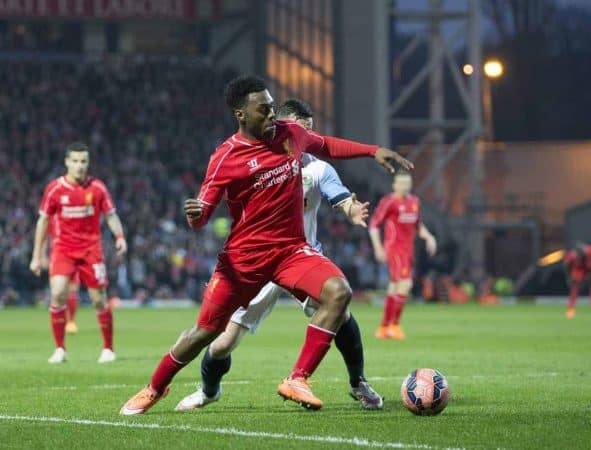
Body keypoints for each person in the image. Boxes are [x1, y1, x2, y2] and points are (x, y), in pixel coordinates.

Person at [120, 76, 412, 415]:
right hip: (244, 260)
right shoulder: (226, 157)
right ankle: (155, 388)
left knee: (338, 292)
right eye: (264, 109)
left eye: (273, 107)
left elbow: (328, 146)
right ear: (241, 114)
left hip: (291, 251)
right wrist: (196, 216)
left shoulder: (290, 135)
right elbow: (202, 215)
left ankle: (299, 379)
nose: (273, 114)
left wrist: (373, 151)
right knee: (207, 333)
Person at [175, 99, 383, 412]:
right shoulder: (255, 161)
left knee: (341, 313)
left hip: (299, 258)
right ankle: (208, 390)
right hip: (258, 263)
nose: (306, 138)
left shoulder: (318, 167)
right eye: (301, 130)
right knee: (223, 343)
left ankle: (358, 383)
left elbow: (340, 198)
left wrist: (352, 210)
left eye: (310, 132)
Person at [29, 142, 127, 363]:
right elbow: (42, 221)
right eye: (75, 161)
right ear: (66, 162)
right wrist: (37, 255)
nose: (79, 166)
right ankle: (60, 349)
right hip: (63, 249)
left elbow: (111, 215)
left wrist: (120, 237)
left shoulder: (98, 188)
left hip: (91, 250)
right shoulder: (55, 189)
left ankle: (108, 349)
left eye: (83, 161)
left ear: (88, 163)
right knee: (57, 294)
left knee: (99, 300)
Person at [369, 171, 436, 340]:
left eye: (408, 183)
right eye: (402, 183)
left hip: (408, 249)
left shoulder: (415, 202)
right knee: (406, 284)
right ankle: (395, 325)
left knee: (394, 287)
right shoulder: (389, 202)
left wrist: (429, 237)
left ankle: (383, 328)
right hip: (394, 247)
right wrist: (378, 247)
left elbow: (418, 225)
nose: (405, 187)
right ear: (395, 185)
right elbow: (374, 225)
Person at [41, 215, 81, 334]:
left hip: (76, 254)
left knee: (73, 289)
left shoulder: (73, 213)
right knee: (58, 292)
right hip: (58, 256)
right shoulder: (52, 217)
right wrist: (42, 255)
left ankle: (71, 321)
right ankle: (60, 321)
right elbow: (45, 237)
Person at [563, 241, 591, 319]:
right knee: (574, 287)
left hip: (588, 268)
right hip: (579, 270)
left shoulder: (589, 253)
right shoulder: (572, 256)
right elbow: (567, 266)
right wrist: (569, 277)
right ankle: (571, 309)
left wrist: (588, 276)